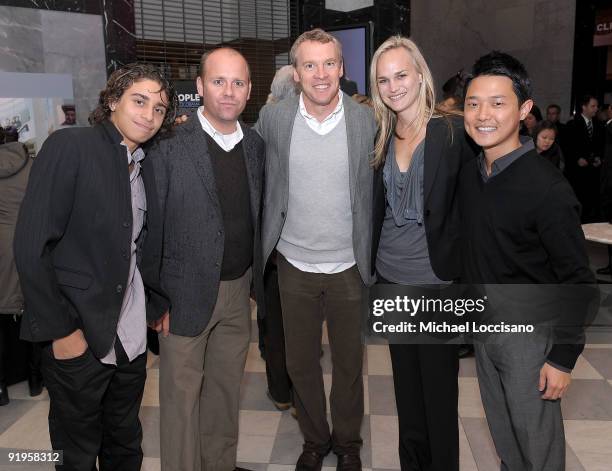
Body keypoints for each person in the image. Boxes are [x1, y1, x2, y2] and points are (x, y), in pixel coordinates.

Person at [14, 63, 174, 470]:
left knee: (125, 444)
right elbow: (31, 247)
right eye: (139, 101)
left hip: (130, 338)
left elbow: (137, 249)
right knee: (76, 453)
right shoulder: (71, 147)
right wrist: (63, 333)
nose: (149, 115)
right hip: (78, 334)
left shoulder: (144, 164)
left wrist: (154, 306)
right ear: (112, 100)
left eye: (159, 109)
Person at [460, 51, 595, 470]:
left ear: (524, 110)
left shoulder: (547, 188)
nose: (483, 114)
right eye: (473, 102)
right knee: (505, 440)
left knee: (538, 449)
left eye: (498, 103)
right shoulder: (471, 173)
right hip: (484, 326)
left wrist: (562, 357)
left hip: (530, 339)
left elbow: (578, 278)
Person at [255, 28, 377, 471]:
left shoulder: (367, 122)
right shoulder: (274, 120)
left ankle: (347, 444)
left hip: (349, 265)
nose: (321, 74)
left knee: (348, 365)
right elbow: (255, 178)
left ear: (342, 68)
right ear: (296, 72)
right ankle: (314, 439)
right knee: (299, 363)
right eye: (310, 65)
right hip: (294, 264)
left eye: (329, 63)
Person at [148, 47, 264, 471]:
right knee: (180, 403)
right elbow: (149, 229)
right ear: (199, 87)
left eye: (238, 82)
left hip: (238, 292)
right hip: (182, 295)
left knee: (224, 394)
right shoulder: (169, 145)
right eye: (218, 81)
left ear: (249, 90)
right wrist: (154, 298)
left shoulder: (254, 144)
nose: (228, 91)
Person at [370, 36, 475, 471]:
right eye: (384, 79)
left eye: (400, 75)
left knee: (438, 399)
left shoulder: (451, 132)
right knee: (408, 398)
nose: (394, 86)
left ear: (419, 75)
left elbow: (473, 211)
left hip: (437, 284)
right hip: (391, 279)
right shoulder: (380, 135)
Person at [261, 64, 299, 412]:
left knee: (275, 323)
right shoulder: (275, 123)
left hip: (274, 246)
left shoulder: (262, 122)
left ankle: (282, 390)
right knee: (285, 324)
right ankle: (287, 390)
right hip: (281, 245)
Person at [566, 94, 604, 222]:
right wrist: (576, 159)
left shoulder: (599, 125)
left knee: (590, 203)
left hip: (592, 172)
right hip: (577, 173)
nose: (596, 109)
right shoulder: (572, 124)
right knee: (577, 202)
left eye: (597, 106)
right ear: (584, 107)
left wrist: (599, 158)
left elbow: (600, 146)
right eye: (593, 106)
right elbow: (567, 146)